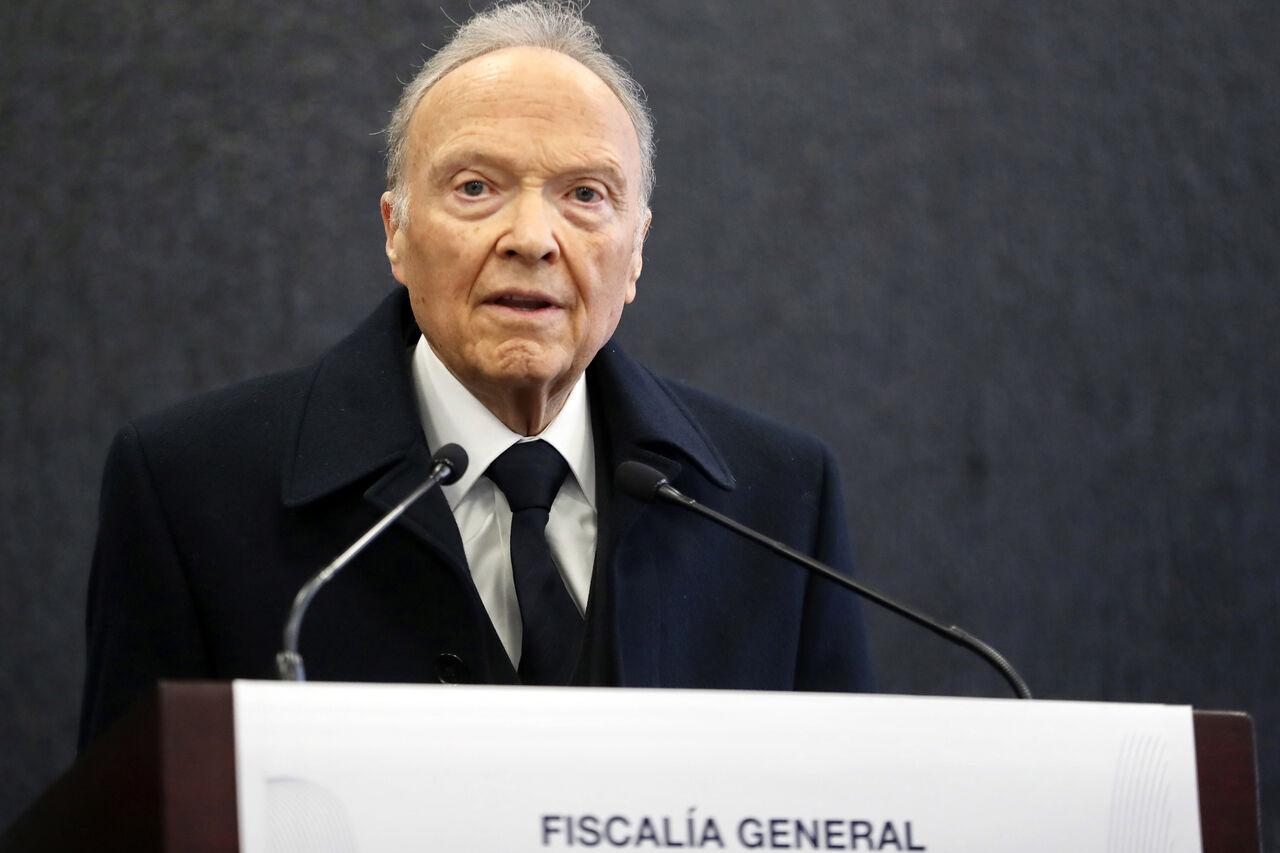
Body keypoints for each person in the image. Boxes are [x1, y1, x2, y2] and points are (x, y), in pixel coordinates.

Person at [78, 0, 873, 751]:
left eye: (585, 194)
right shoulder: (189, 491)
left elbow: (843, 803)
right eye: (475, 188)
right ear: (395, 231)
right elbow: (132, 815)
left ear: (635, 250)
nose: (532, 238)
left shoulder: (779, 501)